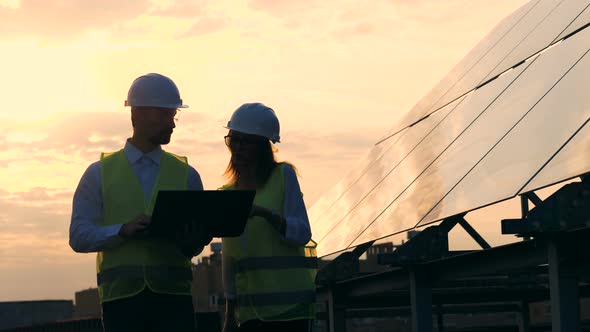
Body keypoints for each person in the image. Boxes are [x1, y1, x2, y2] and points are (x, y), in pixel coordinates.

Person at [69, 73, 211, 332]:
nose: (173, 124)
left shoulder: (187, 175)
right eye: (167, 115)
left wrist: (192, 242)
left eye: (173, 115)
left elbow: (193, 247)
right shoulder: (98, 173)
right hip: (122, 304)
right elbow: (78, 236)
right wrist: (121, 230)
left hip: (174, 302)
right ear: (139, 114)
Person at [221, 103, 317, 332]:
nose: (239, 148)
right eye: (234, 139)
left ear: (263, 146)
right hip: (250, 313)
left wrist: (267, 216)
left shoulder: (283, 177)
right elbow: (229, 259)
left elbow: (302, 233)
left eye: (247, 142)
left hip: (290, 312)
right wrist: (229, 314)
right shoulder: (227, 194)